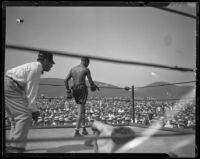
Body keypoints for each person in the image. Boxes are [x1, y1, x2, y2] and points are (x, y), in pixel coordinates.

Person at [5, 51, 55, 153]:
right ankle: (15, 148)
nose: (51, 66)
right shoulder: (36, 68)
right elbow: (31, 92)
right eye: (50, 63)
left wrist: (33, 108)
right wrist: (33, 110)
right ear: (45, 60)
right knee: (24, 116)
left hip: (10, 86)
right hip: (11, 87)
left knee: (16, 118)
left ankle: (11, 145)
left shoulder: (33, 67)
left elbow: (27, 92)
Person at [64, 57, 99, 137]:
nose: (88, 64)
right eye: (88, 62)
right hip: (82, 89)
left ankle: (83, 129)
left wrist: (68, 91)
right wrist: (93, 86)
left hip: (74, 89)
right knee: (80, 110)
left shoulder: (72, 69)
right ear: (86, 61)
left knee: (83, 109)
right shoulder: (86, 69)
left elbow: (65, 80)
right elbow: (90, 81)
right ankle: (76, 131)